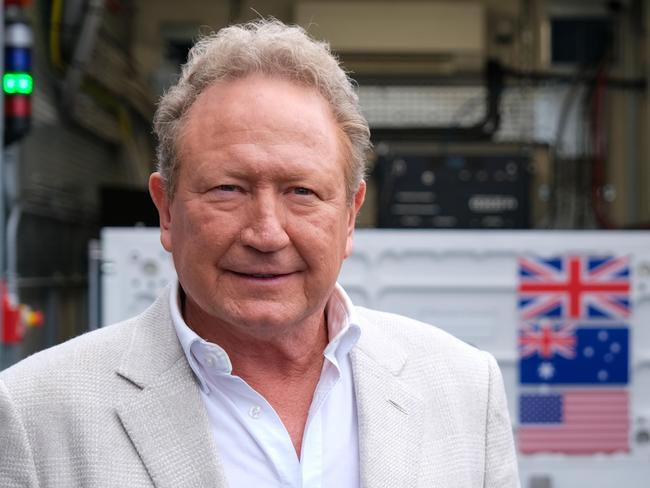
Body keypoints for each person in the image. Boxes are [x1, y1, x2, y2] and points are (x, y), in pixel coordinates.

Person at [0, 19, 519, 487]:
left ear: (350, 216)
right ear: (166, 211)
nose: (267, 234)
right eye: (228, 189)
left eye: (302, 192)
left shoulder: (466, 389)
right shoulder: (32, 413)